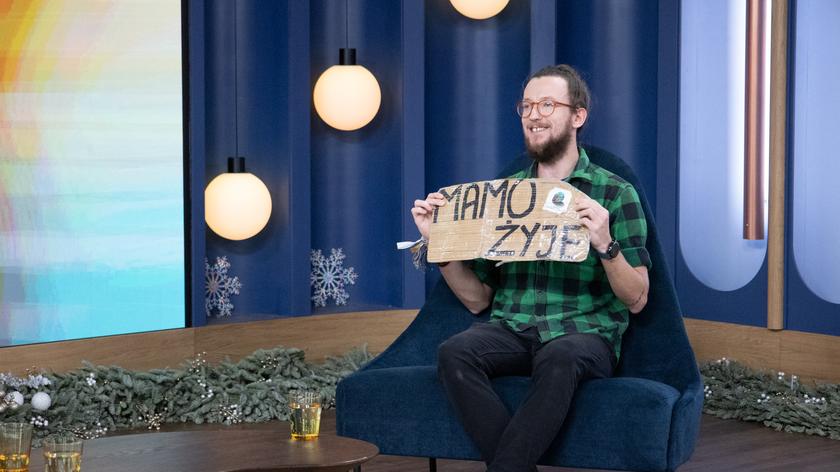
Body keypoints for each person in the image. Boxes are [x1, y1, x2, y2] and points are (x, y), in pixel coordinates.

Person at [410, 64, 652, 472]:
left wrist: (605, 244)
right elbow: (476, 300)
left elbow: (638, 299)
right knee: (454, 352)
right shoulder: (504, 197)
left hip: (582, 334)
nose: (534, 115)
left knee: (560, 356)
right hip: (512, 330)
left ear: (577, 116)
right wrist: (439, 243)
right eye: (526, 106)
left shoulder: (614, 193)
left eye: (547, 105)